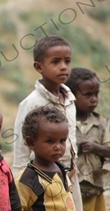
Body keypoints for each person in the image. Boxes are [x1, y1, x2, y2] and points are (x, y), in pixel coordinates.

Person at [12, 35, 83, 210]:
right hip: (39, 177)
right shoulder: (31, 103)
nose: (63, 67)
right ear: (39, 67)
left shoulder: (70, 99)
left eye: (67, 61)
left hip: (67, 175)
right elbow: (21, 149)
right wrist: (17, 185)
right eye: (56, 62)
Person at [65, 67, 110, 211]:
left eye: (96, 94)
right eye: (88, 94)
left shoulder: (101, 123)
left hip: (95, 187)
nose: (94, 99)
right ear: (72, 95)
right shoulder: (64, 121)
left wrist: (95, 148)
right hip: (71, 187)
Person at [15, 106, 76, 211]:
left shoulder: (62, 170)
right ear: (31, 142)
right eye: (50, 141)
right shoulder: (27, 179)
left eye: (62, 140)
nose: (58, 147)